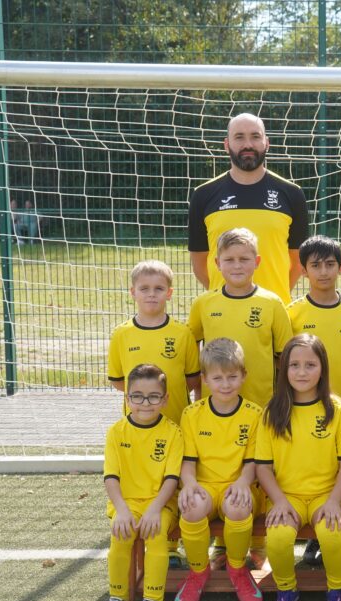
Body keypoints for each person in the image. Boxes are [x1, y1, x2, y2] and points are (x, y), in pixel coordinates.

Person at [255, 335, 341, 601]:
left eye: (310, 365)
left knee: (333, 533)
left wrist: (336, 501)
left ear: (323, 369)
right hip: (287, 497)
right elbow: (263, 466)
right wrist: (278, 501)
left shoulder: (336, 409)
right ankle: (287, 590)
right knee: (277, 538)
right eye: (294, 365)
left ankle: (336, 590)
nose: (302, 372)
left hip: (327, 495)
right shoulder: (272, 411)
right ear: (283, 369)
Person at [173, 338, 265, 601]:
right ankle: (198, 572)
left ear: (244, 376)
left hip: (240, 483)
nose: (226, 384)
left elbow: (252, 461)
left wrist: (242, 482)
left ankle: (238, 568)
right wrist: (189, 484)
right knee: (191, 506)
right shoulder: (191, 414)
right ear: (204, 380)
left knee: (238, 506)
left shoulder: (254, 414)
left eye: (232, 377)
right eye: (217, 378)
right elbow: (188, 462)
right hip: (204, 485)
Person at [287, 235, 341, 568]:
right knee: (317, 469)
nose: (323, 272)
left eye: (330, 264)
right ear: (303, 271)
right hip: (307, 408)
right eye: (315, 265)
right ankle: (315, 538)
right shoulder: (294, 312)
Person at [94, 363, 183, 601]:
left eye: (153, 396)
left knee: (155, 536)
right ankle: (118, 599)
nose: (145, 403)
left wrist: (156, 509)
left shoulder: (173, 433)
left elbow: (171, 479)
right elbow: (111, 477)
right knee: (120, 535)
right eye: (137, 396)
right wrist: (121, 510)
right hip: (126, 504)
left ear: (165, 399)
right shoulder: (116, 433)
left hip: (160, 504)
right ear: (127, 397)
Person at [188, 112, 309, 305]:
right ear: (226, 144)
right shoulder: (203, 194)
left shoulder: (292, 193)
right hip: (222, 310)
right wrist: (230, 293)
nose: (248, 145)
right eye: (239, 137)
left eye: (255, 136)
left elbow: (297, 261)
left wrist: (275, 295)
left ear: (266, 143)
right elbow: (199, 262)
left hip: (275, 311)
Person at [187, 228, 292, 409]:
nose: (237, 266)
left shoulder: (272, 303)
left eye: (244, 259)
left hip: (262, 404)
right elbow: (191, 350)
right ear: (217, 263)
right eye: (229, 260)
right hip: (215, 403)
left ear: (257, 261)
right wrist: (198, 389)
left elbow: (286, 356)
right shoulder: (202, 304)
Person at [108, 260, 200, 425]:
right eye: (144, 289)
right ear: (133, 292)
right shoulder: (121, 334)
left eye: (159, 288)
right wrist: (145, 398)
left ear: (169, 293)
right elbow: (118, 380)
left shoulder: (183, 333)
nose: (151, 294)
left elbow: (192, 379)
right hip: (138, 422)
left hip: (177, 420)